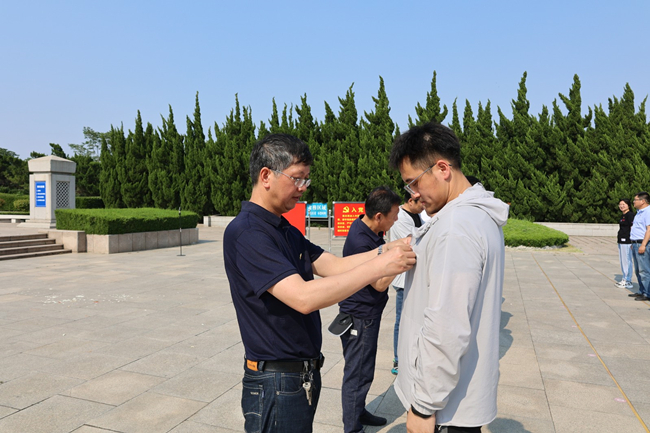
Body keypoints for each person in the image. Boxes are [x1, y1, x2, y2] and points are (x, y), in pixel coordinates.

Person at [223, 133, 416, 433]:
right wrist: (380, 266)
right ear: (266, 176)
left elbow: (334, 265)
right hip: (275, 381)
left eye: (306, 180)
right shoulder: (248, 232)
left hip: (298, 377)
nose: (303, 188)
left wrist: (384, 250)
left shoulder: (284, 229)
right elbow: (303, 297)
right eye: (297, 179)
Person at [389, 122, 509, 432]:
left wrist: (423, 406)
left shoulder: (456, 227)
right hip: (458, 397)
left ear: (442, 169)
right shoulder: (479, 215)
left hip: (445, 409)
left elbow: (447, 326)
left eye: (413, 182)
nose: (413, 194)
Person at [336, 186, 401, 432]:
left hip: (364, 314)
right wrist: (400, 262)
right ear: (379, 216)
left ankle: (359, 411)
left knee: (363, 370)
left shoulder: (366, 228)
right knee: (358, 374)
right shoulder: (361, 242)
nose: (396, 220)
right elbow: (379, 284)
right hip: (360, 317)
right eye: (394, 215)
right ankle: (352, 427)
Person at [388, 190, 424, 375]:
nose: (424, 205)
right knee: (401, 320)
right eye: (421, 202)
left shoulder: (417, 215)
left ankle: (410, 357)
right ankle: (398, 360)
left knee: (413, 319)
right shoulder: (401, 219)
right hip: (403, 277)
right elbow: (412, 244)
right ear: (411, 201)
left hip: (413, 275)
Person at [629, 192, 650, 301]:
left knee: (644, 270)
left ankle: (647, 293)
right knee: (638, 270)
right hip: (635, 243)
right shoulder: (639, 212)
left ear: (643, 201)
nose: (633, 202)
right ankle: (641, 291)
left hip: (642, 244)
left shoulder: (648, 212)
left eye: (635, 200)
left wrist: (643, 245)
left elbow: (649, 230)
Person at [616, 198, 635, 289]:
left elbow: (632, 228)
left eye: (623, 204)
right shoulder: (623, 215)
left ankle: (627, 281)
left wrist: (632, 240)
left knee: (627, 261)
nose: (621, 206)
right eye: (620, 204)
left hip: (627, 241)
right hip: (621, 241)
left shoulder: (630, 215)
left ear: (628, 205)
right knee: (623, 261)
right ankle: (625, 278)